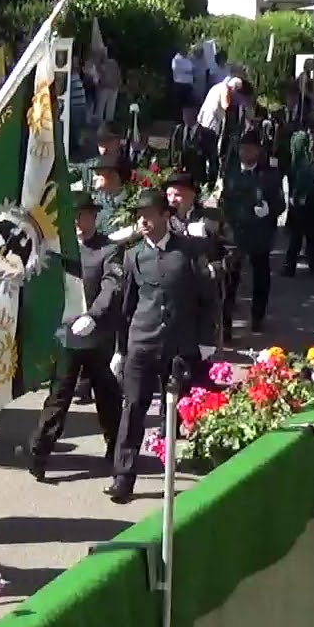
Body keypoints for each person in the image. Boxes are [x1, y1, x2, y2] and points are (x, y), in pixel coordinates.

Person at [108, 190, 219, 504]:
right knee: (132, 409)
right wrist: (120, 349)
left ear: (164, 217)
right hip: (141, 343)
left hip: (178, 345)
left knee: (176, 412)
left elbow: (207, 298)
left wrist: (206, 341)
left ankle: (173, 471)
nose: (143, 221)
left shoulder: (189, 251)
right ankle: (123, 478)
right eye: (139, 216)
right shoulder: (133, 256)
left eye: (149, 215)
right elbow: (126, 308)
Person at [24, 195, 124, 482]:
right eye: (74, 216)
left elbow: (112, 286)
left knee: (108, 398)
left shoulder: (108, 250)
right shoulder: (58, 249)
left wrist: (93, 315)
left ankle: (117, 451)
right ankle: (38, 453)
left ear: (94, 217)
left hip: (97, 336)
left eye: (84, 216)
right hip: (67, 336)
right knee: (59, 397)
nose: (79, 223)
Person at [220, 131, 284, 336]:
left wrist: (269, 210)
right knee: (230, 279)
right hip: (236, 234)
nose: (246, 152)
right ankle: (226, 321)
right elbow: (225, 202)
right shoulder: (231, 173)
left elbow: (280, 204)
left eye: (250, 148)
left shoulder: (270, 175)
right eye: (243, 148)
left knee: (261, 277)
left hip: (259, 234)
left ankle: (257, 316)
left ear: (258, 151)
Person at [285, 108, 314, 275]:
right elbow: (295, 167)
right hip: (302, 191)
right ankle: (289, 265)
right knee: (297, 232)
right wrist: (295, 192)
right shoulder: (299, 140)